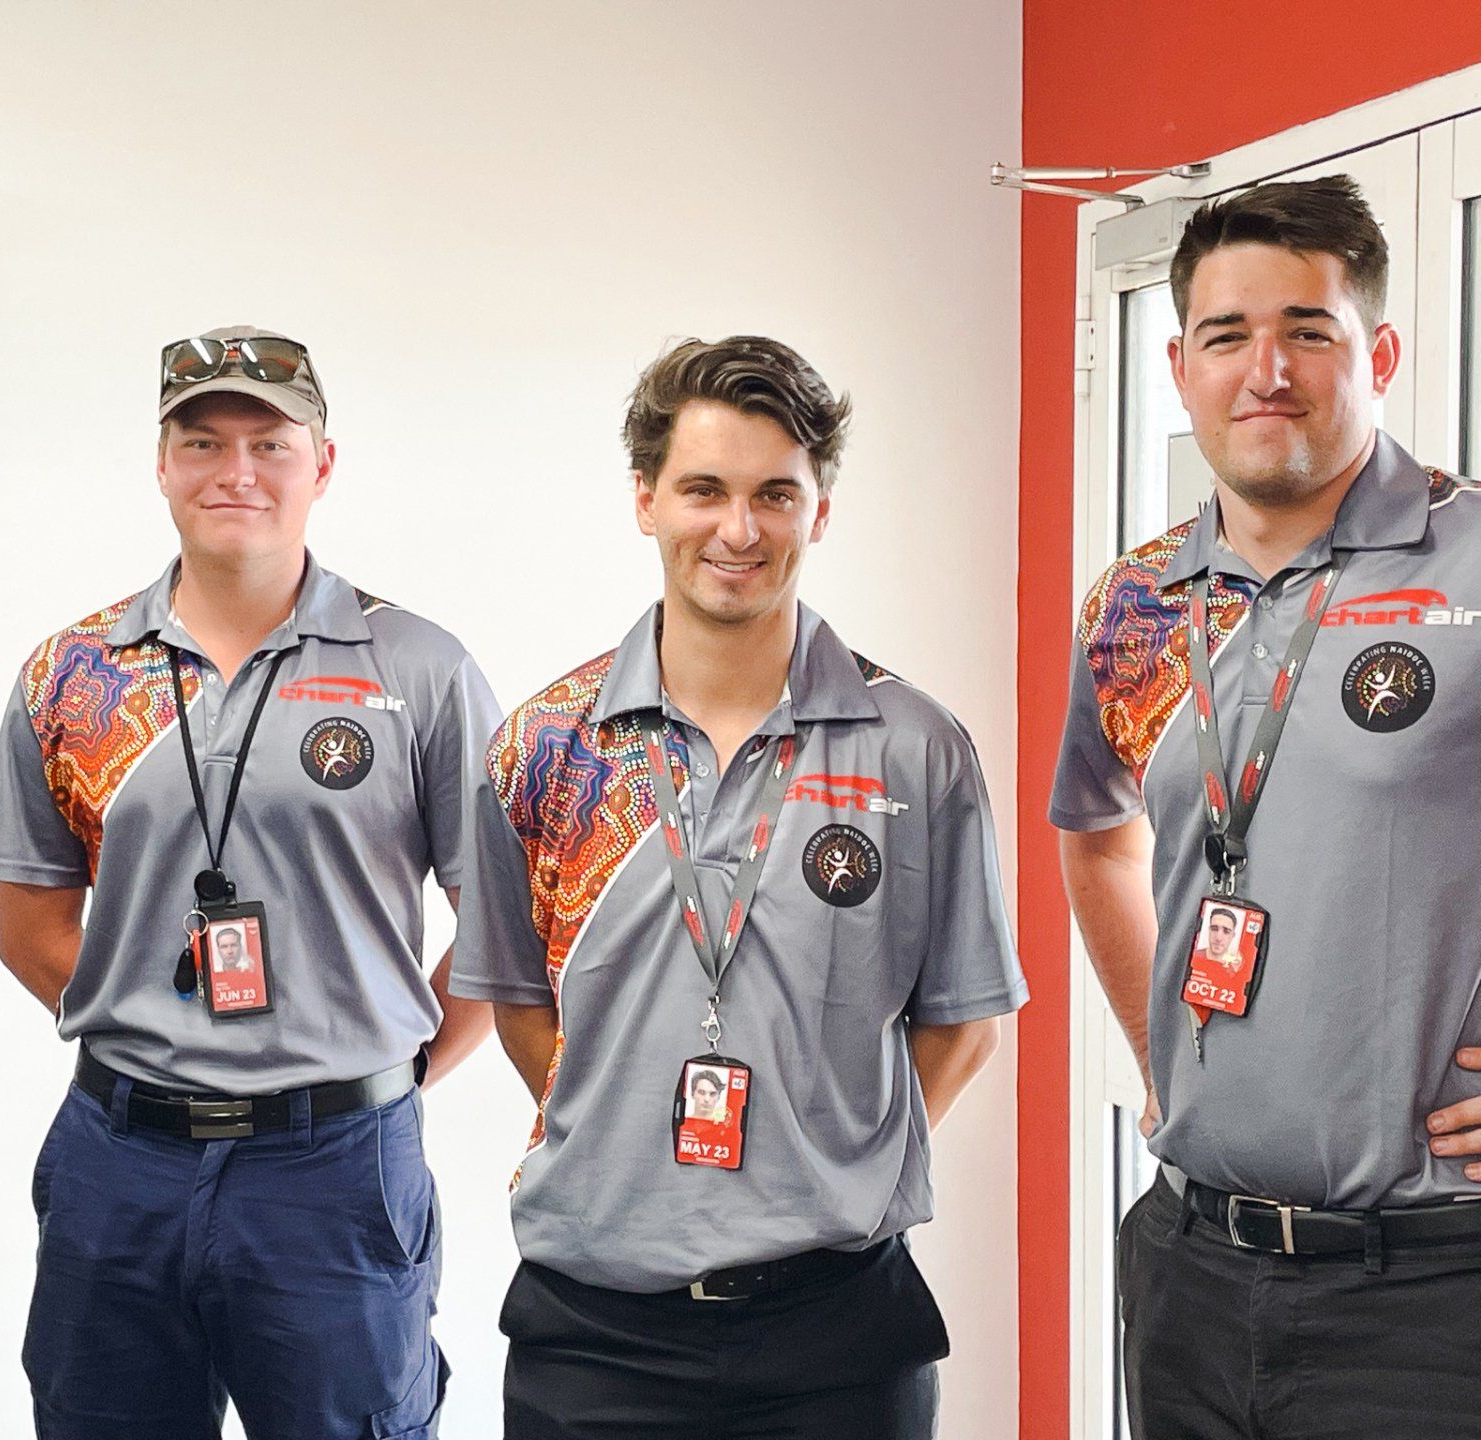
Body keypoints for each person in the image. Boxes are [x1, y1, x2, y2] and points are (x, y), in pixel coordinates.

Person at [452, 335, 1027, 1439]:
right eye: (703, 490)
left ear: (820, 511)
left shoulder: (917, 747)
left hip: (841, 1334)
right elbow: (515, 1000)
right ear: (644, 499)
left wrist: (833, 1162)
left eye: (777, 493)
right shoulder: (542, 745)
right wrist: (618, 1135)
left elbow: (962, 1024)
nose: (739, 529)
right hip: (594, 1334)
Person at [0, 327, 500, 1440]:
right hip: (119, 1161)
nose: (235, 472)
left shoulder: (418, 668)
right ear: (162, 462)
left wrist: (384, 1071)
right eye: (202, 441)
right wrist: (164, 1033)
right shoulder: (75, 671)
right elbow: (29, 926)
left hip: (336, 1173)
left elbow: (499, 930)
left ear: (324, 463)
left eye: (269, 442)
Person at [1053, 175, 1481, 1439]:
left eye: (1309, 329)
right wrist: (1160, 1055)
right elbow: (1093, 832)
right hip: (1189, 1261)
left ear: (1380, 354)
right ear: (1180, 364)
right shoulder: (1135, 604)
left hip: (1430, 1288)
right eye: (1229, 336)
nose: (1268, 370)